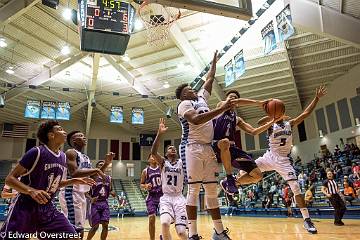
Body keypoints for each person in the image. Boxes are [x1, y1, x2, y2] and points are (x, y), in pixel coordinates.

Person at [223, 85, 327, 234]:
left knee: (296, 188)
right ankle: (232, 184)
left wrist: (316, 98)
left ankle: (307, 220)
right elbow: (259, 123)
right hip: (269, 157)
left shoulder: (289, 123)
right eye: (275, 111)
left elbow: (306, 113)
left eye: (278, 111)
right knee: (246, 169)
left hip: (284, 160)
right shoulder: (269, 125)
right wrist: (272, 116)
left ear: (283, 112)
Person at [0, 120, 95, 240]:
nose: (64, 132)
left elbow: (54, 184)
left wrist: (74, 181)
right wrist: (31, 191)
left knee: (72, 237)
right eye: (60, 129)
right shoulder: (37, 152)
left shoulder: (62, 157)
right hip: (25, 207)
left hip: (47, 209)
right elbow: (10, 179)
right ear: (51, 135)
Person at [176, 50, 234, 240]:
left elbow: (210, 78)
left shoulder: (201, 98)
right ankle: (193, 234)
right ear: (183, 95)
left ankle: (218, 231)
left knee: (211, 190)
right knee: (193, 190)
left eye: (192, 89)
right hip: (191, 147)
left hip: (207, 147)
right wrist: (221, 109)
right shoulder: (184, 105)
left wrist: (214, 62)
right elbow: (196, 120)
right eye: (187, 90)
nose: (192, 90)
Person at [213, 89, 276, 194]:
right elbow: (231, 102)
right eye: (230, 97)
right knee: (225, 142)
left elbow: (254, 131)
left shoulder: (237, 119)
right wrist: (258, 103)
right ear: (226, 99)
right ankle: (229, 177)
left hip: (232, 149)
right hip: (217, 145)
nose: (233, 99)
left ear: (238, 104)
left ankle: (231, 183)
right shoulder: (221, 107)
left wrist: (272, 121)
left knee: (257, 175)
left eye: (235, 98)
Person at [59, 130, 114, 238]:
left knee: (79, 229)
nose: (84, 137)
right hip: (71, 192)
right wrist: (97, 170)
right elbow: (74, 173)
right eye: (80, 136)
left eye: (84, 136)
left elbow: (94, 177)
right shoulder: (71, 152)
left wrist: (106, 164)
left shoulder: (86, 157)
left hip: (81, 195)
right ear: (74, 140)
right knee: (74, 229)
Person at [150, 118, 187, 240]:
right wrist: (159, 134)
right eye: (170, 148)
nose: (173, 148)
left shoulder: (182, 162)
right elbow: (153, 152)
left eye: (174, 148)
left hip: (179, 198)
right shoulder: (163, 163)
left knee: (181, 233)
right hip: (166, 197)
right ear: (166, 154)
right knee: (165, 223)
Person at [86, 161, 116, 240]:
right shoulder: (93, 177)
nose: (102, 166)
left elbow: (111, 190)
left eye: (103, 165)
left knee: (105, 225)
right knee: (95, 226)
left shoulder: (109, 178)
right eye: (100, 165)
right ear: (96, 167)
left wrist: (113, 193)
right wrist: (91, 198)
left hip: (104, 203)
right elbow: (86, 193)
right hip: (95, 204)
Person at [140, 154, 163, 240]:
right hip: (152, 197)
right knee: (151, 218)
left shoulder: (161, 168)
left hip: (162, 196)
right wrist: (146, 186)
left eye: (155, 156)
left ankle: (163, 235)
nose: (153, 158)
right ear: (148, 159)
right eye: (151, 156)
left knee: (165, 218)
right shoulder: (145, 171)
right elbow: (141, 184)